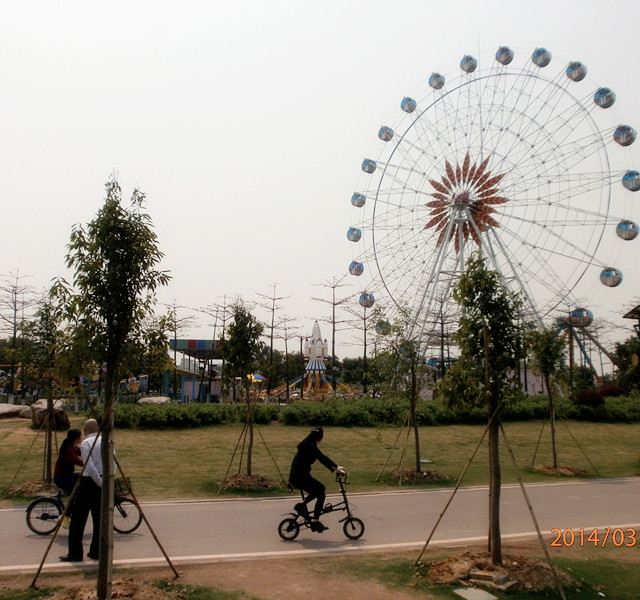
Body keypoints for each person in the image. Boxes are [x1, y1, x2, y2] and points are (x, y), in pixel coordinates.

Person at [60, 418, 102, 562]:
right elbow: (113, 463)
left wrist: (98, 482)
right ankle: (96, 551)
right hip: (103, 481)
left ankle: (75, 554)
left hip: (89, 483)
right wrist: (105, 482)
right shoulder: (107, 441)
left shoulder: (86, 443)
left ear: (85, 431)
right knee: (99, 519)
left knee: (78, 519)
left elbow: (88, 466)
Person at [288, 427, 344, 533]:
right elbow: (321, 458)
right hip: (299, 477)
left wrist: (335, 467)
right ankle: (315, 520)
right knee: (321, 491)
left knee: (318, 490)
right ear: (319, 437)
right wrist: (336, 468)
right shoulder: (310, 446)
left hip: (299, 476)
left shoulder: (308, 444)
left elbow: (321, 457)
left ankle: (302, 506)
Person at [53, 428, 83, 494]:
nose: (81, 438)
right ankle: (74, 503)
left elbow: (80, 451)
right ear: (76, 438)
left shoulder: (70, 444)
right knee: (78, 490)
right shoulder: (68, 449)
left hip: (67, 475)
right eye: (80, 436)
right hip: (61, 478)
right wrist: (89, 463)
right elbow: (78, 461)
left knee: (84, 477)